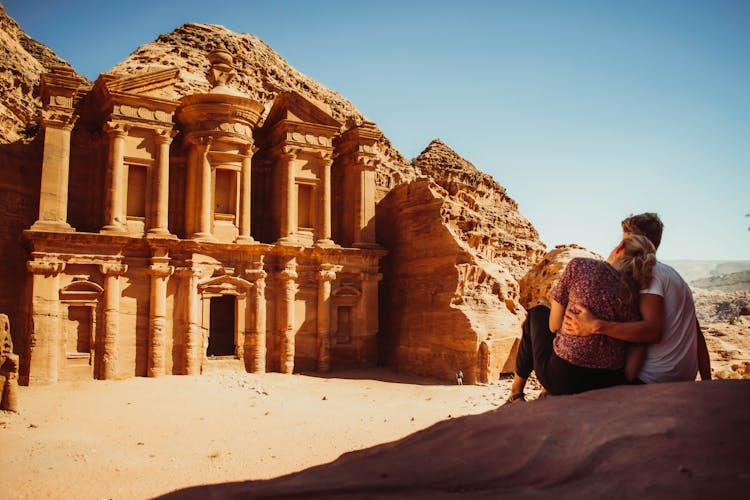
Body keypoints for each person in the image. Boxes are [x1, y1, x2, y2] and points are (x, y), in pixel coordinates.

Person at [562, 213, 712, 383]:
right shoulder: (675, 276)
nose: (619, 247)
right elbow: (697, 333)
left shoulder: (649, 275)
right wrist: (707, 380)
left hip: (651, 378)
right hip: (683, 377)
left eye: (625, 242)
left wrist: (596, 326)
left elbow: (652, 331)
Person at [507, 234, 657, 402]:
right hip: (608, 382)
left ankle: (516, 393)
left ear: (620, 248)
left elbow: (554, 326)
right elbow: (634, 356)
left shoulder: (579, 265)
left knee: (538, 313)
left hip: (563, 379)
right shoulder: (637, 293)